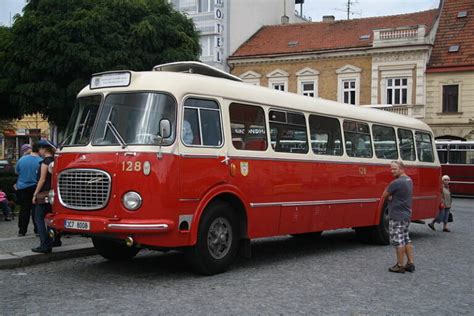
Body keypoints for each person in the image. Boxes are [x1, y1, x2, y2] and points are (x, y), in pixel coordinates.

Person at [382, 161, 415, 273]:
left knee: (398, 240)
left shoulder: (396, 182)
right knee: (406, 238)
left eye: (394, 169)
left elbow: (384, 195)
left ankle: (400, 265)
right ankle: (410, 263)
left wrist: (390, 197)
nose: (392, 171)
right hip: (406, 214)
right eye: (391, 169)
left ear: (401, 169)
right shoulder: (409, 180)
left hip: (397, 215)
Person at [31, 140, 61, 253]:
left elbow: (42, 180)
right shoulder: (55, 161)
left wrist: (35, 194)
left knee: (39, 219)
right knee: (51, 219)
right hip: (53, 195)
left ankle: (44, 245)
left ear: (44, 149)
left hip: (44, 194)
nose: (39, 151)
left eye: (39, 149)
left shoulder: (45, 162)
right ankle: (55, 240)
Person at [15, 143, 42, 236]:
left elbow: (17, 172)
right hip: (36, 187)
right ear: (39, 150)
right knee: (36, 210)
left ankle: (22, 231)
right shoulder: (41, 161)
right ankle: (37, 230)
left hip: (22, 187)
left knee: (24, 209)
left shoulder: (21, 160)